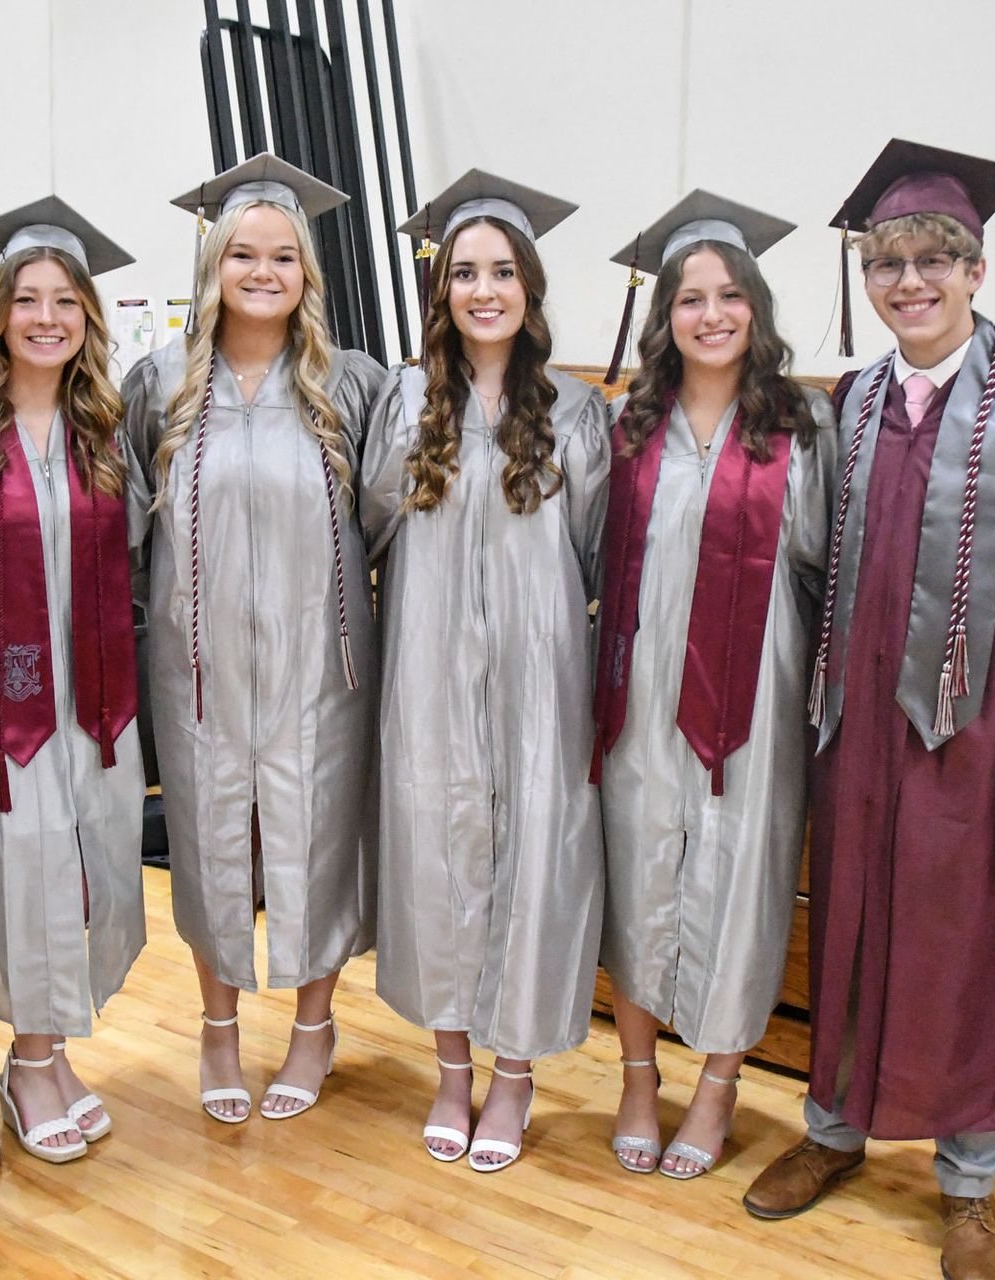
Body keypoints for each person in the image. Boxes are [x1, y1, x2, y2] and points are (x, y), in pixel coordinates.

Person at [741, 140, 995, 1280]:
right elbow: (814, 572)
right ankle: (833, 1133)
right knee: (857, 928)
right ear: (866, 278)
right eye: (887, 263)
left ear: (977, 267)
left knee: (981, 958)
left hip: (983, 754)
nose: (909, 282)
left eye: (933, 259)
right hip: (861, 741)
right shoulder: (856, 404)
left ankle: (970, 1187)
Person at [120, 153, 388, 1124]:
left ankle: (314, 1030)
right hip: (197, 671)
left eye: (283, 256)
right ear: (214, 264)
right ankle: (219, 1027)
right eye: (243, 253)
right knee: (206, 841)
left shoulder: (349, 387)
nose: (263, 271)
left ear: (306, 274)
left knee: (316, 838)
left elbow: (395, 517)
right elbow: (121, 528)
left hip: (323, 664)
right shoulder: (157, 385)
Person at [361, 172, 609, 1173]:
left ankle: (514, 1072)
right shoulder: (406, 404)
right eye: (464, 272)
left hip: (541, 678)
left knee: (534, 861)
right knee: (437, 856)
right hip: (426, 675)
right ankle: (452, 1066)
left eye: (502, 270)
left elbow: (594, 550)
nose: (484, 289)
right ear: (442, 291)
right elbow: (373, 524)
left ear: (530, 286)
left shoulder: (579, 413)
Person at [590, 193, 835, 1180]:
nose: (712, 314)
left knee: (742, 878)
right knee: (640, 867)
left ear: (757, 308)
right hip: (640, 683)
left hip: (754, 688)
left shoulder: (803, 423)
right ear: (666, 317)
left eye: (731, 295)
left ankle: (721, 1085)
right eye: (691, 298)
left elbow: (823, 563)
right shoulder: (628, 422)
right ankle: (640, 1075)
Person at [0, 198, 147, 1163]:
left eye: (65, 301)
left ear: (89, 317)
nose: (46, 318)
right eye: (26, 300)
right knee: (24, 858)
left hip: (93, 697)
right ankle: (29, 1058)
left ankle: (52, 1056)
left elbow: (132, 550)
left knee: (88, 855)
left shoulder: (104, 429)